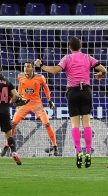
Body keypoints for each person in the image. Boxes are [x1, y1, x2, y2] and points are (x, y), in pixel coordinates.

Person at [35, 36, 107, 168]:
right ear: (81, 47)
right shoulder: (87, 57)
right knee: (87, 123)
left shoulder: (67, 58)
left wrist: (42, 66)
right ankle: (88, 152)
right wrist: (100, 75)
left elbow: (55, 70)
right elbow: (103, 69)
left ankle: (78, 151)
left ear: (69, 47)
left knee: (75, 124)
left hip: (73, 92)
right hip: (86, 91)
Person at [0, 62, 58, 157]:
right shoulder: (20, 76)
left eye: (28, 67)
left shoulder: (40, 77)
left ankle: (55, 145)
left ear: (32, 68)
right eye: (25, 66)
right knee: (13, 124)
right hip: (24, 104)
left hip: (37, 104)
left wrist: (49, 100)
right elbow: (20, 87)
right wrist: (19, 98)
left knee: (47, 124)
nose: (26, 68)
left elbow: (46, 88)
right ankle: (6, 146)